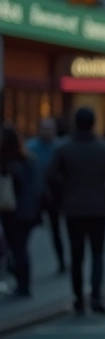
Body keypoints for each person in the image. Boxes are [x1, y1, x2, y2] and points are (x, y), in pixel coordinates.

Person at [46, 108, 105, 315]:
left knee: (77, 254)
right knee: (98, 253)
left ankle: (78, 298)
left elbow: (50, 176)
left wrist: (63, 192)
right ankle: (97, 295)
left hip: (73, 208)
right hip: (99, 207)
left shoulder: (65, 149)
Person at [0, 126, 44, 297]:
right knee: (20, 248)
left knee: (18, 248)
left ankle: (23, 285)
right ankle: (22, 282)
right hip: (27, 212)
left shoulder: (8, 163)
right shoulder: (29, 161)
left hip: (14, 212)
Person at [26, 118, 65, 273]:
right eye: (44, 128)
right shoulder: (30, 147)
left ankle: (61, 260)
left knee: (56, 230)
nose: (46, 132)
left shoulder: (60, 148)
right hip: (34, 194)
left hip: (54, 194)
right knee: (25, 230)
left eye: (49, 129)